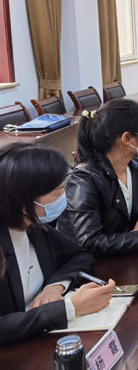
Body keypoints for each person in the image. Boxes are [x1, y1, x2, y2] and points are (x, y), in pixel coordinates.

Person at [0, 143, 116, 344]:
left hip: (43, 340)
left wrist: (55, 286)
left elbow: (81, 254)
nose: (63, 197)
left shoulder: (35, 228)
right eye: (58, 191)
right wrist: (68, 308)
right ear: (25, 199)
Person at [60, 99, 138, 258]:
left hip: (125, 257)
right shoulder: (84, 179)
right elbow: (89, 242)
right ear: (126, 138)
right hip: (91, 266)